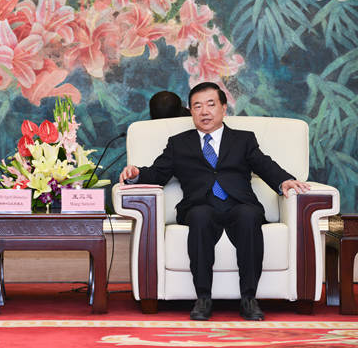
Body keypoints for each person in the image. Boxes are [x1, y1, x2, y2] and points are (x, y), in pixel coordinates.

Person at [119, 82, 310, 321]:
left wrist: (284, 181)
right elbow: (158, 173)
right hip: (200, 205)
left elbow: (264, 164)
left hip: (239, 203)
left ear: (223, 108)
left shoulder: (243, 139)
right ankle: (203, 298)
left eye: (210, 104)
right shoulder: (179, 143)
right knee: (200, 216)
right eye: (197, 106)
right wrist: (136, 174)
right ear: (190, 111)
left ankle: (249, 299)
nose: (204, 111)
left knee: (249, 216)